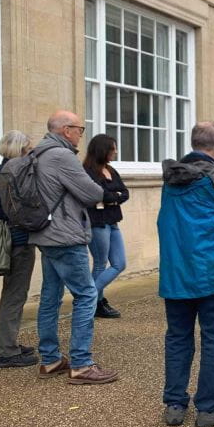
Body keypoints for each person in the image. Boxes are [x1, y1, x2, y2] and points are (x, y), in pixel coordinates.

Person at [157, 121, 214, 427]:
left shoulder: (171, 179)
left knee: (177, 338)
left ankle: (174, 405)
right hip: (212, 273)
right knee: (213, 339)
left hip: (176, 273)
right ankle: (210, 408)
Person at [31, 110, 118, 385]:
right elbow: (92, 193)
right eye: (80, 129)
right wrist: (104, 194)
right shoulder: (62, 155)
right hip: (66, 236)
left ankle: (50, 360)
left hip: (45, 234)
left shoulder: (36, 153)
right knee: (86, 295)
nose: (81, 134)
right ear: (66, 130)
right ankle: (81, 364)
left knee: (50, 297)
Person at [0, 131, 38, 368]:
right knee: (14, 295)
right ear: (19, 149)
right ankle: (6, 352)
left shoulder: (2, 170)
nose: (30, 153)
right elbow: (16, 211)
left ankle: (9, 344)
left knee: (13, 293)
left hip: (13, 238)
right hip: (18, 240)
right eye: (28, 149)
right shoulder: (11, 172)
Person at [83, 134, 129, 319]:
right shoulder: (87, 171)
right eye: (112, 148)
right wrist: (112, 196)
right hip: (97, 222)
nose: (115, 152)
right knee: (100, 263)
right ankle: (95, 302)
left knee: (119, 263)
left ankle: (89, 298)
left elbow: (124, 193)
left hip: (113, 221)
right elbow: (100, 195)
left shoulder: (111, 169)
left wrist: (112, 197)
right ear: (102, 150)